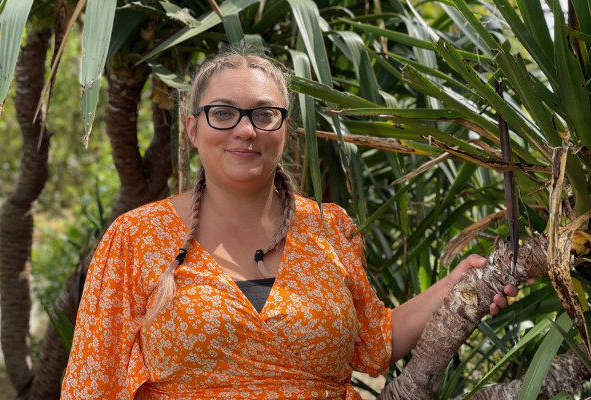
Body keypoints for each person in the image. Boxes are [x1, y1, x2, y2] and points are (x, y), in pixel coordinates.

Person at [60, 48, 521, 400]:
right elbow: (90, 381)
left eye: (264, 114)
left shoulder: (328, 227)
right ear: (193, 129)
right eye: (223, 113)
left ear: (285, 129)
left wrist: (452, 287)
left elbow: (373, 343)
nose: (246, 130)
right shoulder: (136, 237)